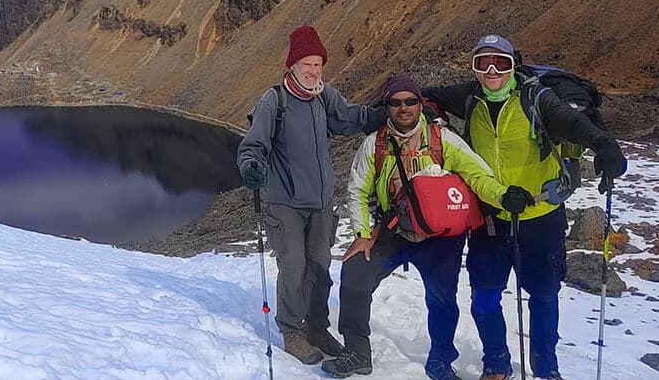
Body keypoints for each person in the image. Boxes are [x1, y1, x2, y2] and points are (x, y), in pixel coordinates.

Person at [424, 34, 626, 380]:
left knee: (544, 296)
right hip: (490, 216)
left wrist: (603, 144)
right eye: (482, 63)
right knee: (485, 298)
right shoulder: (470, 97)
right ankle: (497, 363)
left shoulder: (537, 98)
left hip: (541, 215)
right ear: (474, 68)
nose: (491, 70)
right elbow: (427, 94)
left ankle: (547, 368)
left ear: (513, 64)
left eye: (500, 63)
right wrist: (428, 111)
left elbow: (573, 123)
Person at [321, 74, 517, 379]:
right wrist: (361, 235)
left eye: (410, 101)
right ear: (386, 106)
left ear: (420, 103)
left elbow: (479, 175)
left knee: (441, 298)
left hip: (439, 238)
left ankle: (440, 359)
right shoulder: (375, 144)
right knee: (356, 273)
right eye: (395, 102)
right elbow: (357, 189)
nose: (403, 108)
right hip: (392, 231)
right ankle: (357, 352)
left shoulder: (443, 139)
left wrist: (504, 197)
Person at [237, 25, 384, 364]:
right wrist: (251, 167)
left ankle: (317, 326)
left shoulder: (323, 95)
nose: (313, 70)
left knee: (318, 266)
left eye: (318, 63)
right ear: (293, 65)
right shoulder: (274, 100)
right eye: (307, 63)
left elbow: (348, 119)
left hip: (320, 201)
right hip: (284, 200)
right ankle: (292, 332)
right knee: (294, 266)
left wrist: (382, 115)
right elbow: (254, 145)